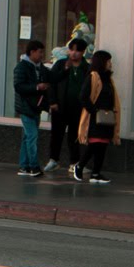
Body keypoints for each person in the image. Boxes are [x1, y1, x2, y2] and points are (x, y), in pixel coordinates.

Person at [43, 37, 90, 174]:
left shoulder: (86, 68)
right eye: (71, 50)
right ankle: (53, 160)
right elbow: (51, 83)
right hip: (60, 106)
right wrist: (52, 101)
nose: (74, 53)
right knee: (56, 134)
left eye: (77, 51)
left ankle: (74, 162)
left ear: (83, 52)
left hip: (77, 108)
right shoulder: (61, 64)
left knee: (74, 136)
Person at [72, 50, 119, 183]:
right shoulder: (93, 76)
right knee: (95, 143)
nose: (110, 63)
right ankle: (80, 166)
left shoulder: (108, 79)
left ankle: (96, 173)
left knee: (103, 144)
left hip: (107, 116)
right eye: (108, 61)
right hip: (96, 117)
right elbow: (83, 96)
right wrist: (94, 110)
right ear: (102, 62)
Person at [12, 39, 49, 177]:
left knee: (27, 137)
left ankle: (24, 166)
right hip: (26, 107)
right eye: (40, 52)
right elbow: (18, 86)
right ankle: (34, 167)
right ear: (32, 52)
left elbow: (50, 76)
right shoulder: (22, 67)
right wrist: (36, 87)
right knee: (32, 137)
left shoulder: (40, 67)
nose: (41, 55)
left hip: (35, 107)